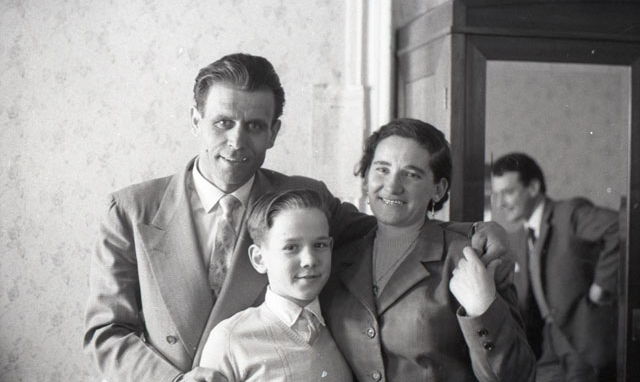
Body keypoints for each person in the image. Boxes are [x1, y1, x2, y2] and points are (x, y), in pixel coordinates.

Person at [83, 53, 507, 382]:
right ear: (196, 120)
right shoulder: (133, 210)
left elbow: (386, 226)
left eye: (254, 125)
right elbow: (106, 331)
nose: (236, 141)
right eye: (222, 122)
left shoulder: (301, 198)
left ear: (274, 131)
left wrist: (477, 232)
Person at [322, 118, 536, 382]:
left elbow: (519, 376)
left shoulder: (470, 257)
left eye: (411, 174)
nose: (392, 185)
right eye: (382, 169)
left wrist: (482, 309)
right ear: (366, 178)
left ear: (438, 189)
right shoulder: (338, 259)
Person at [200, 189, 353, 381]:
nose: (309, 260)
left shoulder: (348, 328)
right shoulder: (231, 339)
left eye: (319, 245)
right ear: (259, 258)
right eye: (291, 248)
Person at [490, 152, 618, 382]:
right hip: (544, 349)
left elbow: (619, 226)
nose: (500, 203)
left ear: (533, 187)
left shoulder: (569, 214)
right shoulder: (517, 239)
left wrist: (602, 286)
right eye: (496, 194)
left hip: (583, 345)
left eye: (508, 192)